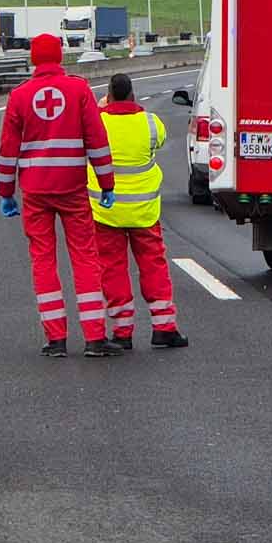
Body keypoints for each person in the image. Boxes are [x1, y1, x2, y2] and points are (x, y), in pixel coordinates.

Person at [0, 34, 118, 357]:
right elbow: (97, 139)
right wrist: (107, 183)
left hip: (35, 190)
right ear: (61, 56)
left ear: (34, 59)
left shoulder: (19, 96)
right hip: (72, 188)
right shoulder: (79, 90)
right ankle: (94, 337)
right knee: (84, 258)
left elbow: (8, 150)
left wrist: (6, 192)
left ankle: (56, 340)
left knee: (43, 260)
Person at [90, 73, 187, 349]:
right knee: (153, 266)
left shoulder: (99, 122)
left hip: (106, 212)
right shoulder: (151, 123)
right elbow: (157, 143)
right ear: (133, 95)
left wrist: (101, 108)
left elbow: (90, 141)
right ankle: (164, 328)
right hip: (144, 212)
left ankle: (122, 334)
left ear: (108, 95)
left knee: (113, 269)